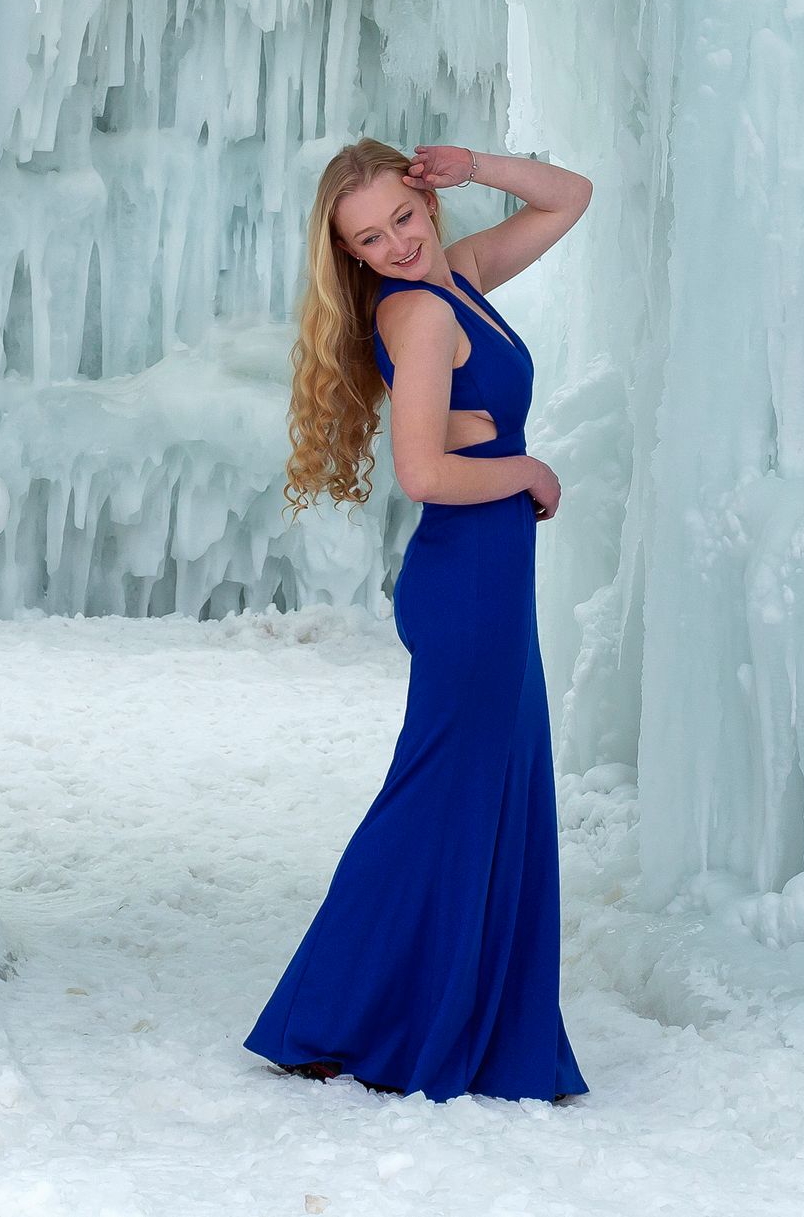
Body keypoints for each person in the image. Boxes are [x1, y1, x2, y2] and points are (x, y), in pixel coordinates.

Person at [244, 135, 594, 1101]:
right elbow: (425, 473)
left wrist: (474, 164)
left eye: (402, 215)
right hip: (468, 579)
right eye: (369, 237)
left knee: (488, 795)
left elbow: (570, 197)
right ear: (350, 256)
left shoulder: (461, 277)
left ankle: (446, 1018)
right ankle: (333, 1015)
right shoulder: (421, 317)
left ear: (426, 204)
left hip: (489, 578)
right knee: (439, 798)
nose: (395, 243)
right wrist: (527, 469)